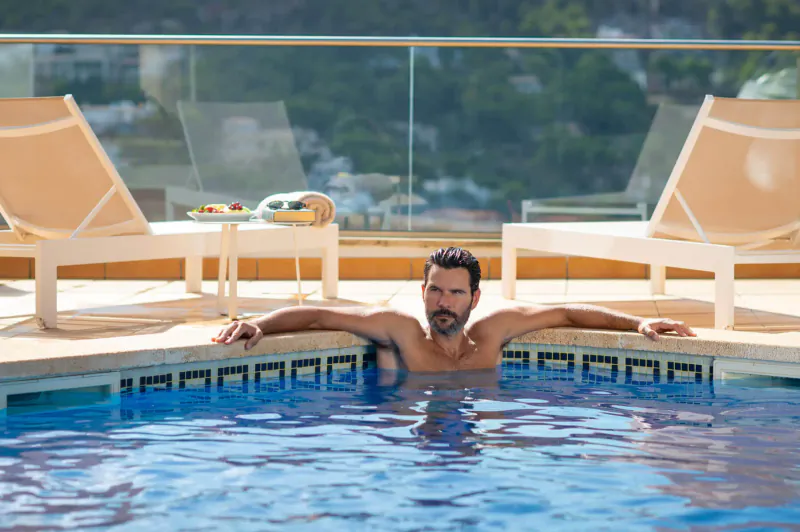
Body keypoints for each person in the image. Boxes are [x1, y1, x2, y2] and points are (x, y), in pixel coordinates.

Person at [213, 247, 695, 372]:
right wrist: (258, 324)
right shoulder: (400, 332)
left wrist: (637, 322)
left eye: (456, 293)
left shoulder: (492, 334)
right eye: (435, 291)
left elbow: (567, 313)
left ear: (474, 298)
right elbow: (319, 315)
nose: (443, 303)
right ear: (422, 291)